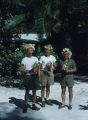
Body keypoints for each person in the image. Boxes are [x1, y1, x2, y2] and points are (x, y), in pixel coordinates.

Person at [21, 44, 40, 113]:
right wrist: (27, 71)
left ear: (33, 51)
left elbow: (38, 67)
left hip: (34, 77)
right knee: (27, 91)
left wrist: (36, 70)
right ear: (27, 50)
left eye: (32, 49)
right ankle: (25, 105)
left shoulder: (35, 58)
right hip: (27, 76)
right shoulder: (24, 59)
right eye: (29, 49)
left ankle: (33, 105)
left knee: (34, 91)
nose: (30, 51)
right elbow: (22, 69)